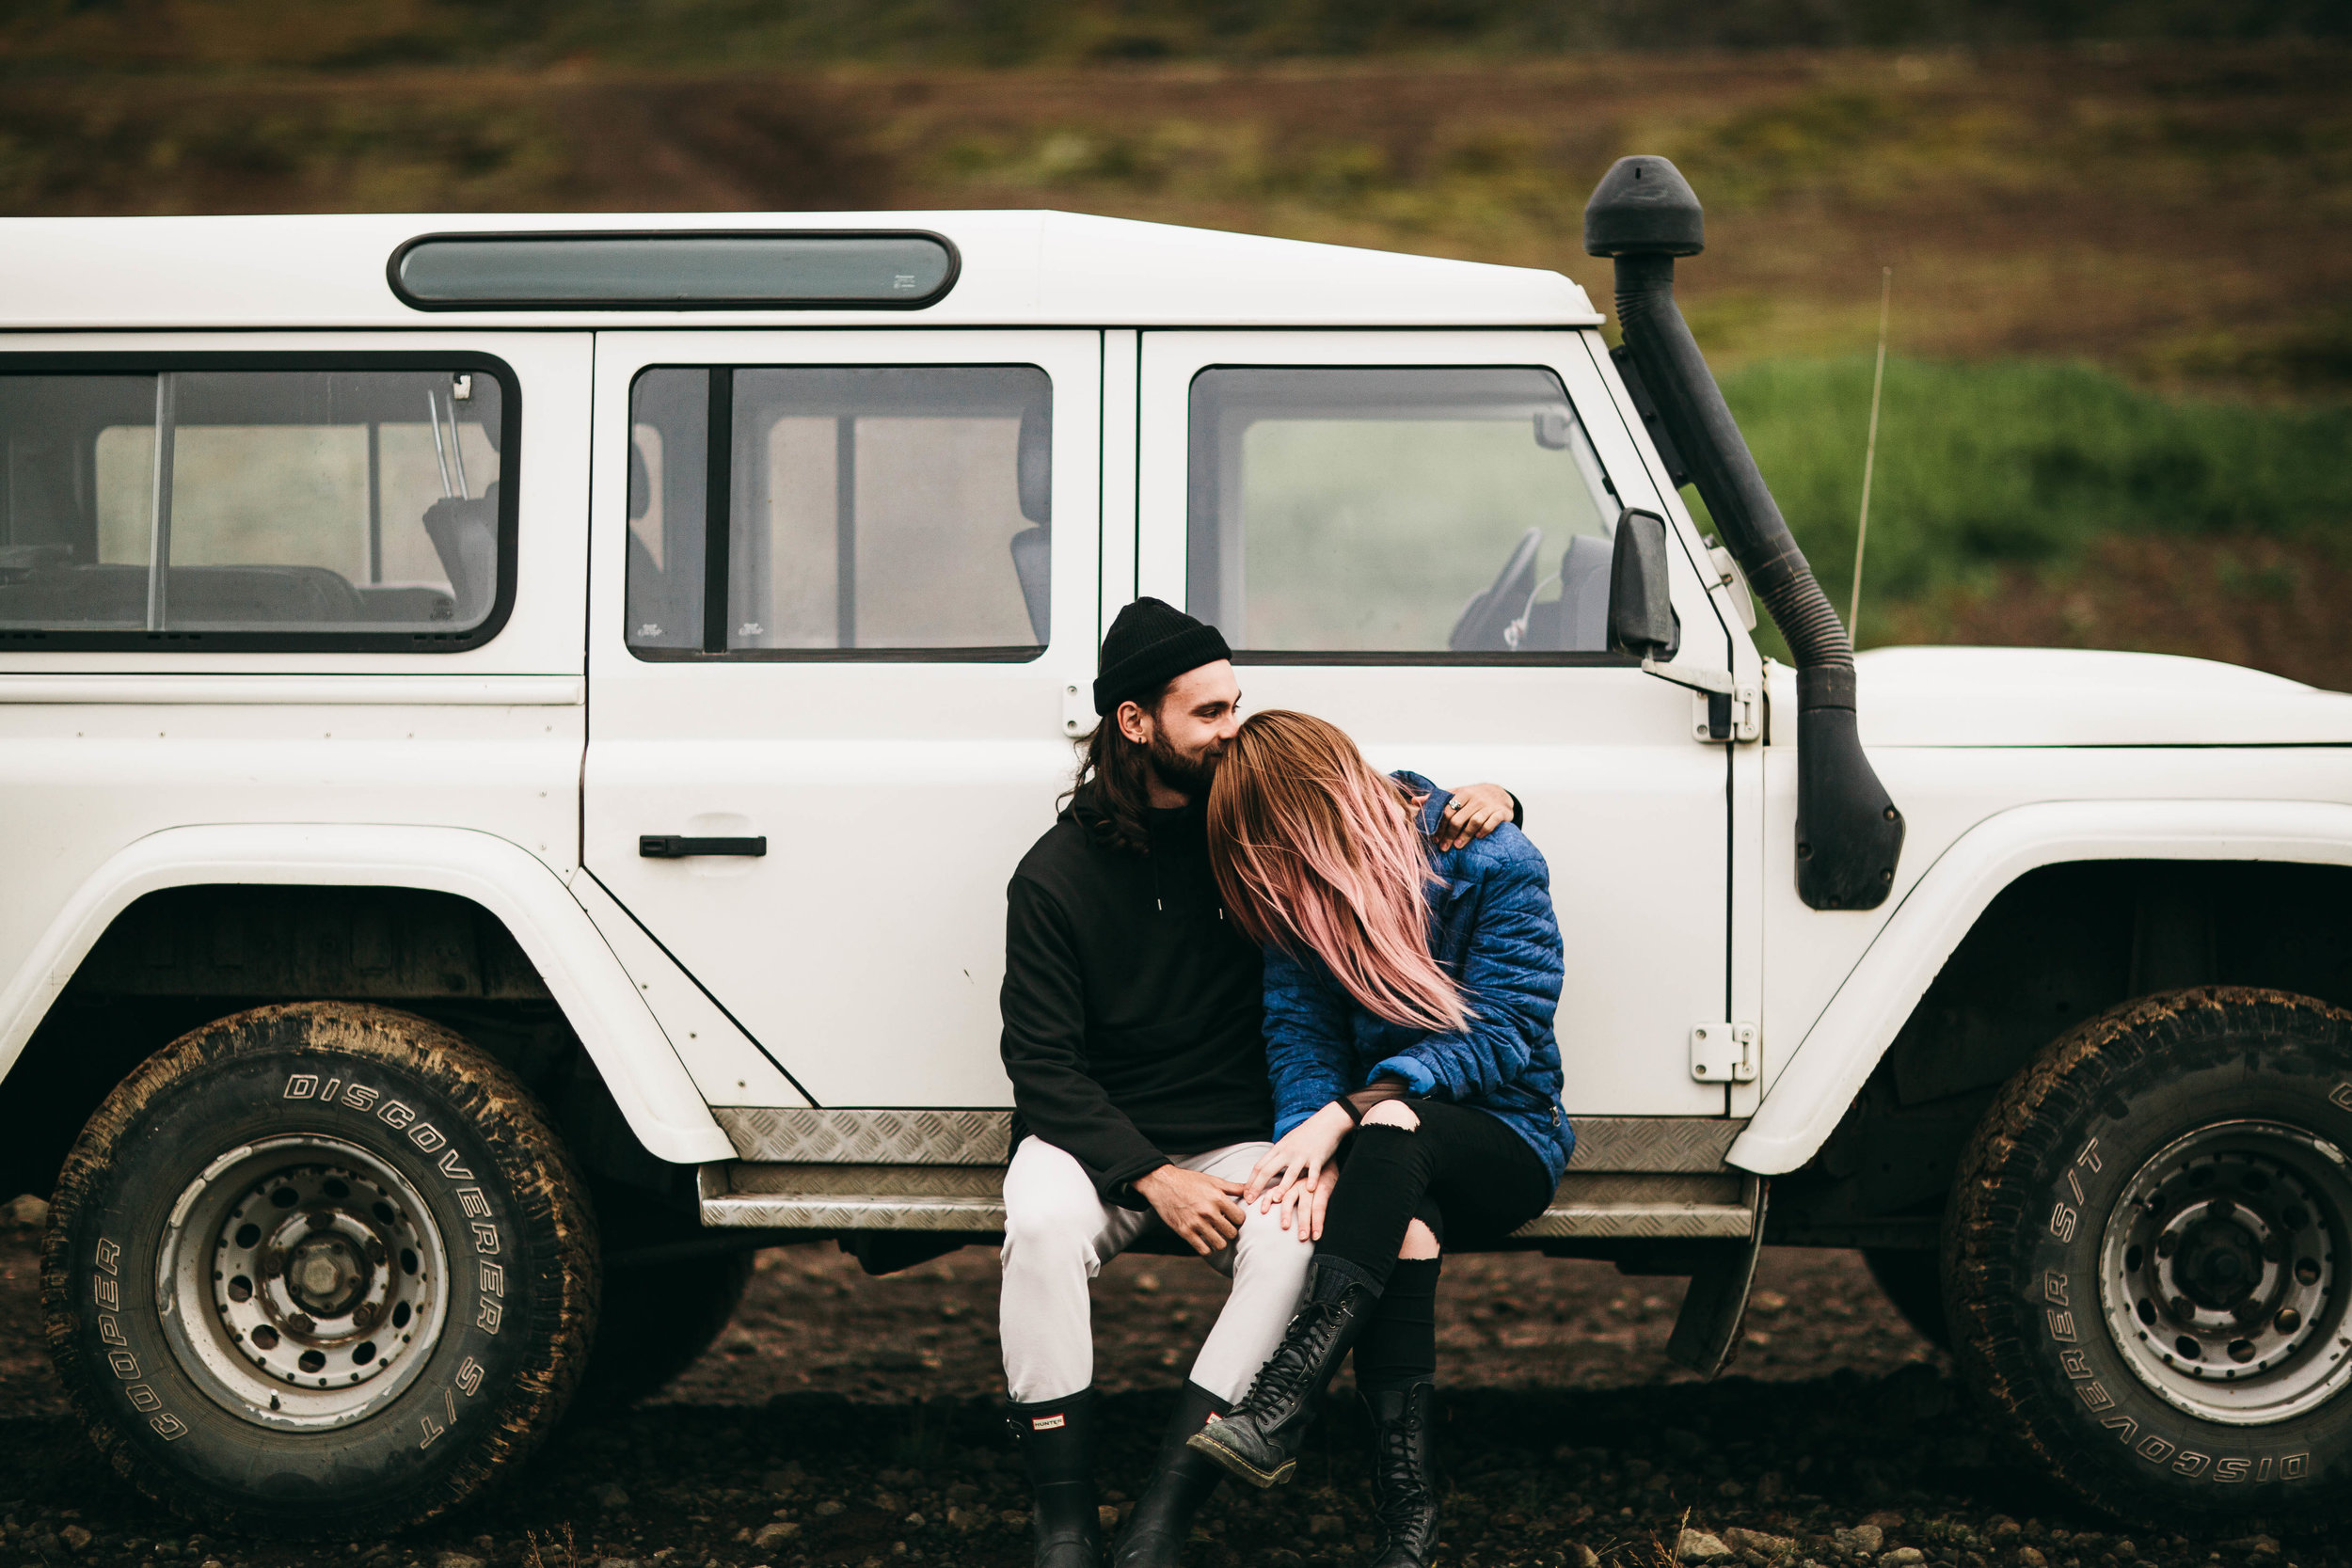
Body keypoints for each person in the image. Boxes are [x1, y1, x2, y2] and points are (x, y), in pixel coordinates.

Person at [998, 599, 1524, 1568]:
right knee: (1035, 1224)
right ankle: (1062, 1524)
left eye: (1235, 704)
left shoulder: (1257, 832)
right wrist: (1148, 1174)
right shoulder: (1053, 876)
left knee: (1290, 1246)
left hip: (1248, 1134)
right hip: (1096, 1141)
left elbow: (1380, 809)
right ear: (1133, 723)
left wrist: (1488, 797)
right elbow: (1041, 1066)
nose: (1231, 729)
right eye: (1207, 714)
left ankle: (1163, 1516)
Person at [1185, 709, 1572, 1568]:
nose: (1279, 876)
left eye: (1286, 848)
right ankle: (1406, 1510)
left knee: (1394, 1125)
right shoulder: (1305, 897)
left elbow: (1508, 1028)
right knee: (1406, 1227)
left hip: (1509, 1133)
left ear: (1325, 809)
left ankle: (1285, 1399)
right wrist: (1312, 1151)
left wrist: (1352, 1112)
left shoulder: (1490, 859)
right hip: (1391, 1152)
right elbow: (1299, 1036)